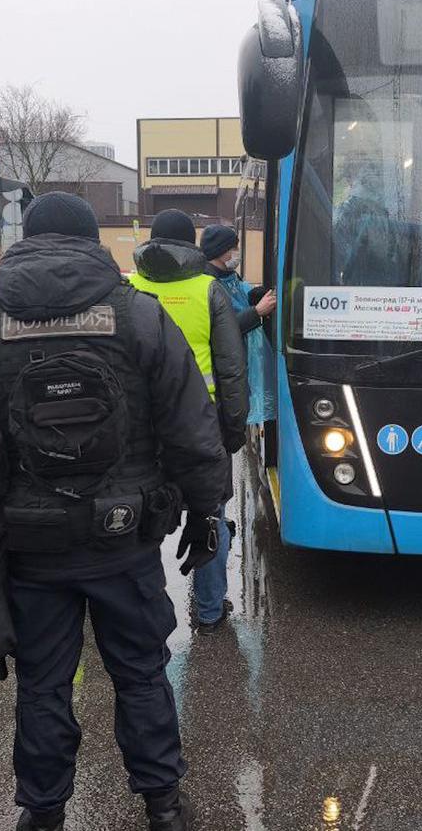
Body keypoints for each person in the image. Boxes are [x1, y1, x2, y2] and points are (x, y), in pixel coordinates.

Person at [0, 192, 230, 831]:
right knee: (141, 674)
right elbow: (193, 427)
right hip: (125, 537)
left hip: (28, 545)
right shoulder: (139, 316)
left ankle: (43, 812)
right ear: (91, 242)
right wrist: (206, 511)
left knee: (44, 682)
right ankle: (162, 804)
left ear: (27, 240)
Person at [129, 210, 248, 633]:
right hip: (204, 424)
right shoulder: (209, 290)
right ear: (192, 244)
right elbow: (231, 368)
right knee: (210, 514)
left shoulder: (128, 287)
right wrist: (233, 430)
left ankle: (142, 612)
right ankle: (210, 610)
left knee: (138, 517)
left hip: (141, 426)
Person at [200, 224, 277, 424]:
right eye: (234, 248)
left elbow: (244, 294)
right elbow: (222, 327)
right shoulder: (208, 282)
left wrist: (260, 295)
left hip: (241, 361)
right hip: (226, 368)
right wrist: (257, 312)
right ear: (221, 251)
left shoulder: (230, 276)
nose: (237, 253)